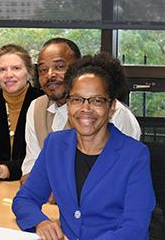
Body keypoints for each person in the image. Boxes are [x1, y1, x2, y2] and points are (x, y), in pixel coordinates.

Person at [13, 52, 155, 239]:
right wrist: (41, 221)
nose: (85, 109)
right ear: (68, 104)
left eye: (97, 100)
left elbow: (134, 228)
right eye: (77, 100)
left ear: (111, 107)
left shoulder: (134, 155)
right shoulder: (55, 145)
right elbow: (25, 199)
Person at [21, 37, 141, 182]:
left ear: (77, 69)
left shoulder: (113, 112)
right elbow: (30, 170)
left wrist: (58, 189)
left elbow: (118, 178)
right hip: (49, 204)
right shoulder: (36, 108)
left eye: (59, 67)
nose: (50, 75)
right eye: (43, 70)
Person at [0, 44, 41, 184]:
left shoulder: (41, 102)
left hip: (32, 183)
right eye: (2, 69)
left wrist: (5, 170)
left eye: (16, 68)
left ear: (28, 72)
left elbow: (40, 158)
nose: (9, 75)